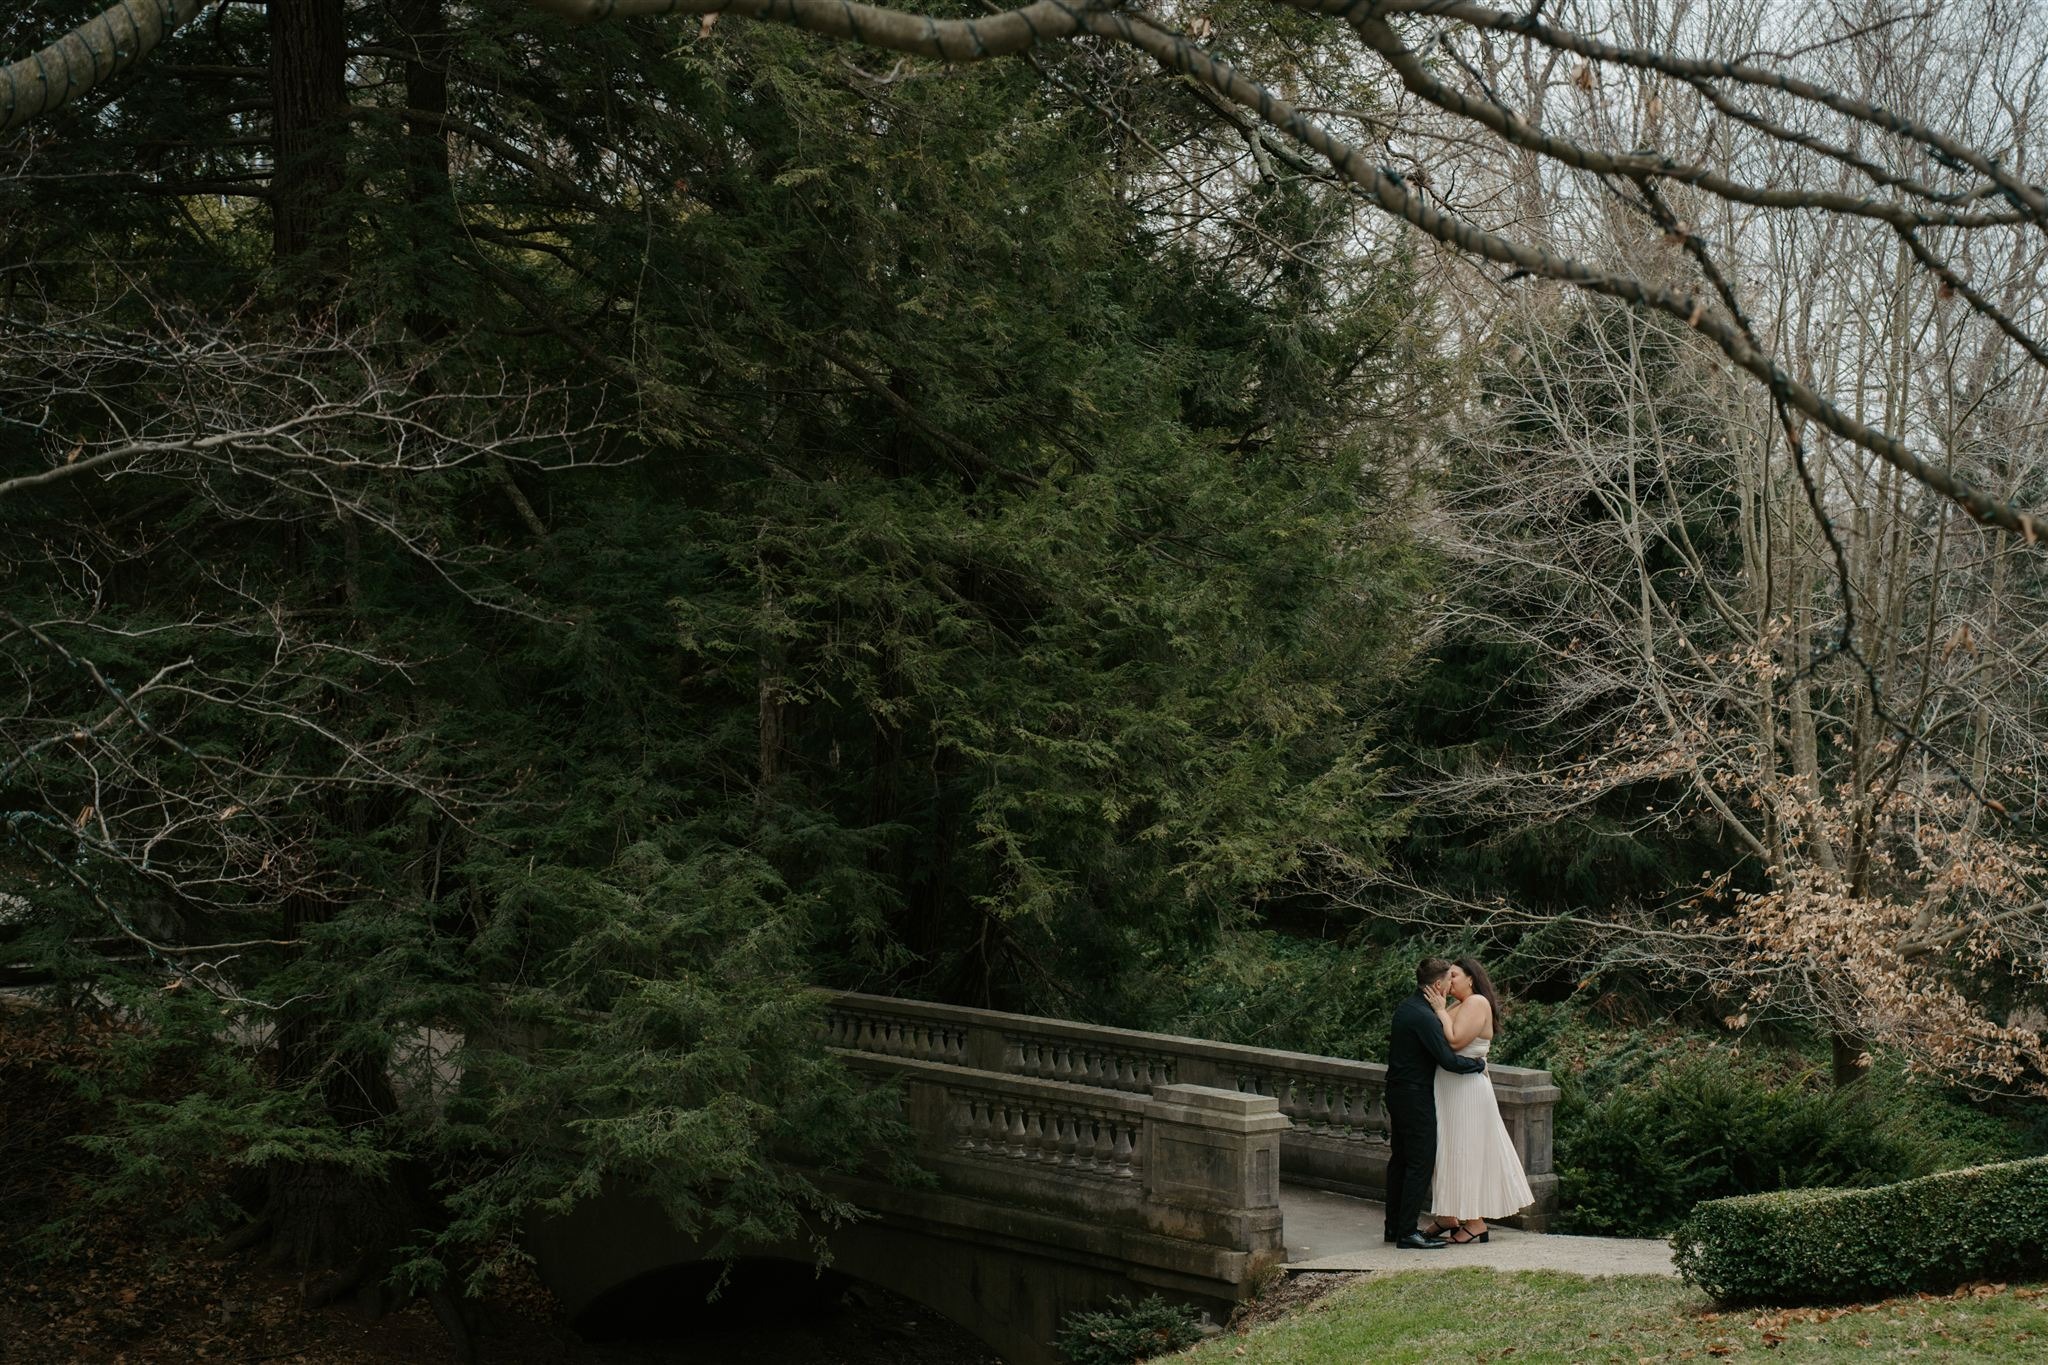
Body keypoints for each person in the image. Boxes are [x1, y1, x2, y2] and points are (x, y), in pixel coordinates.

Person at [1421, 957, 1534, 1243]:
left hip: (1467, 1089)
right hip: (1449, 1086)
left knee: (1466, 1148)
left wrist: (1438, 1011)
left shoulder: (1477, 1003)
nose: (1449, 981)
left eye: (1455, 975)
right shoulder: (1457, 1005)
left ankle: (1476, 1221)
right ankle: (1448, 1214)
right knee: (1446, 1147)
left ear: (1471, 978)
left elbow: (1456, 1041)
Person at [1382, 956, 1488, 1248]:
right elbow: (1448, 1059)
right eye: (1448, 979)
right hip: (1415, 1096)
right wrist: (1477, 1066)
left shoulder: (1409, 1007)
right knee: (1419, 1162)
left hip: (1399, 1091)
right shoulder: (1425, 1016)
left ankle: (1394, 1228)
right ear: (1438, 984)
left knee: (1401, 1161)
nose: (1451, 983)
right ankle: (1406, 1233)